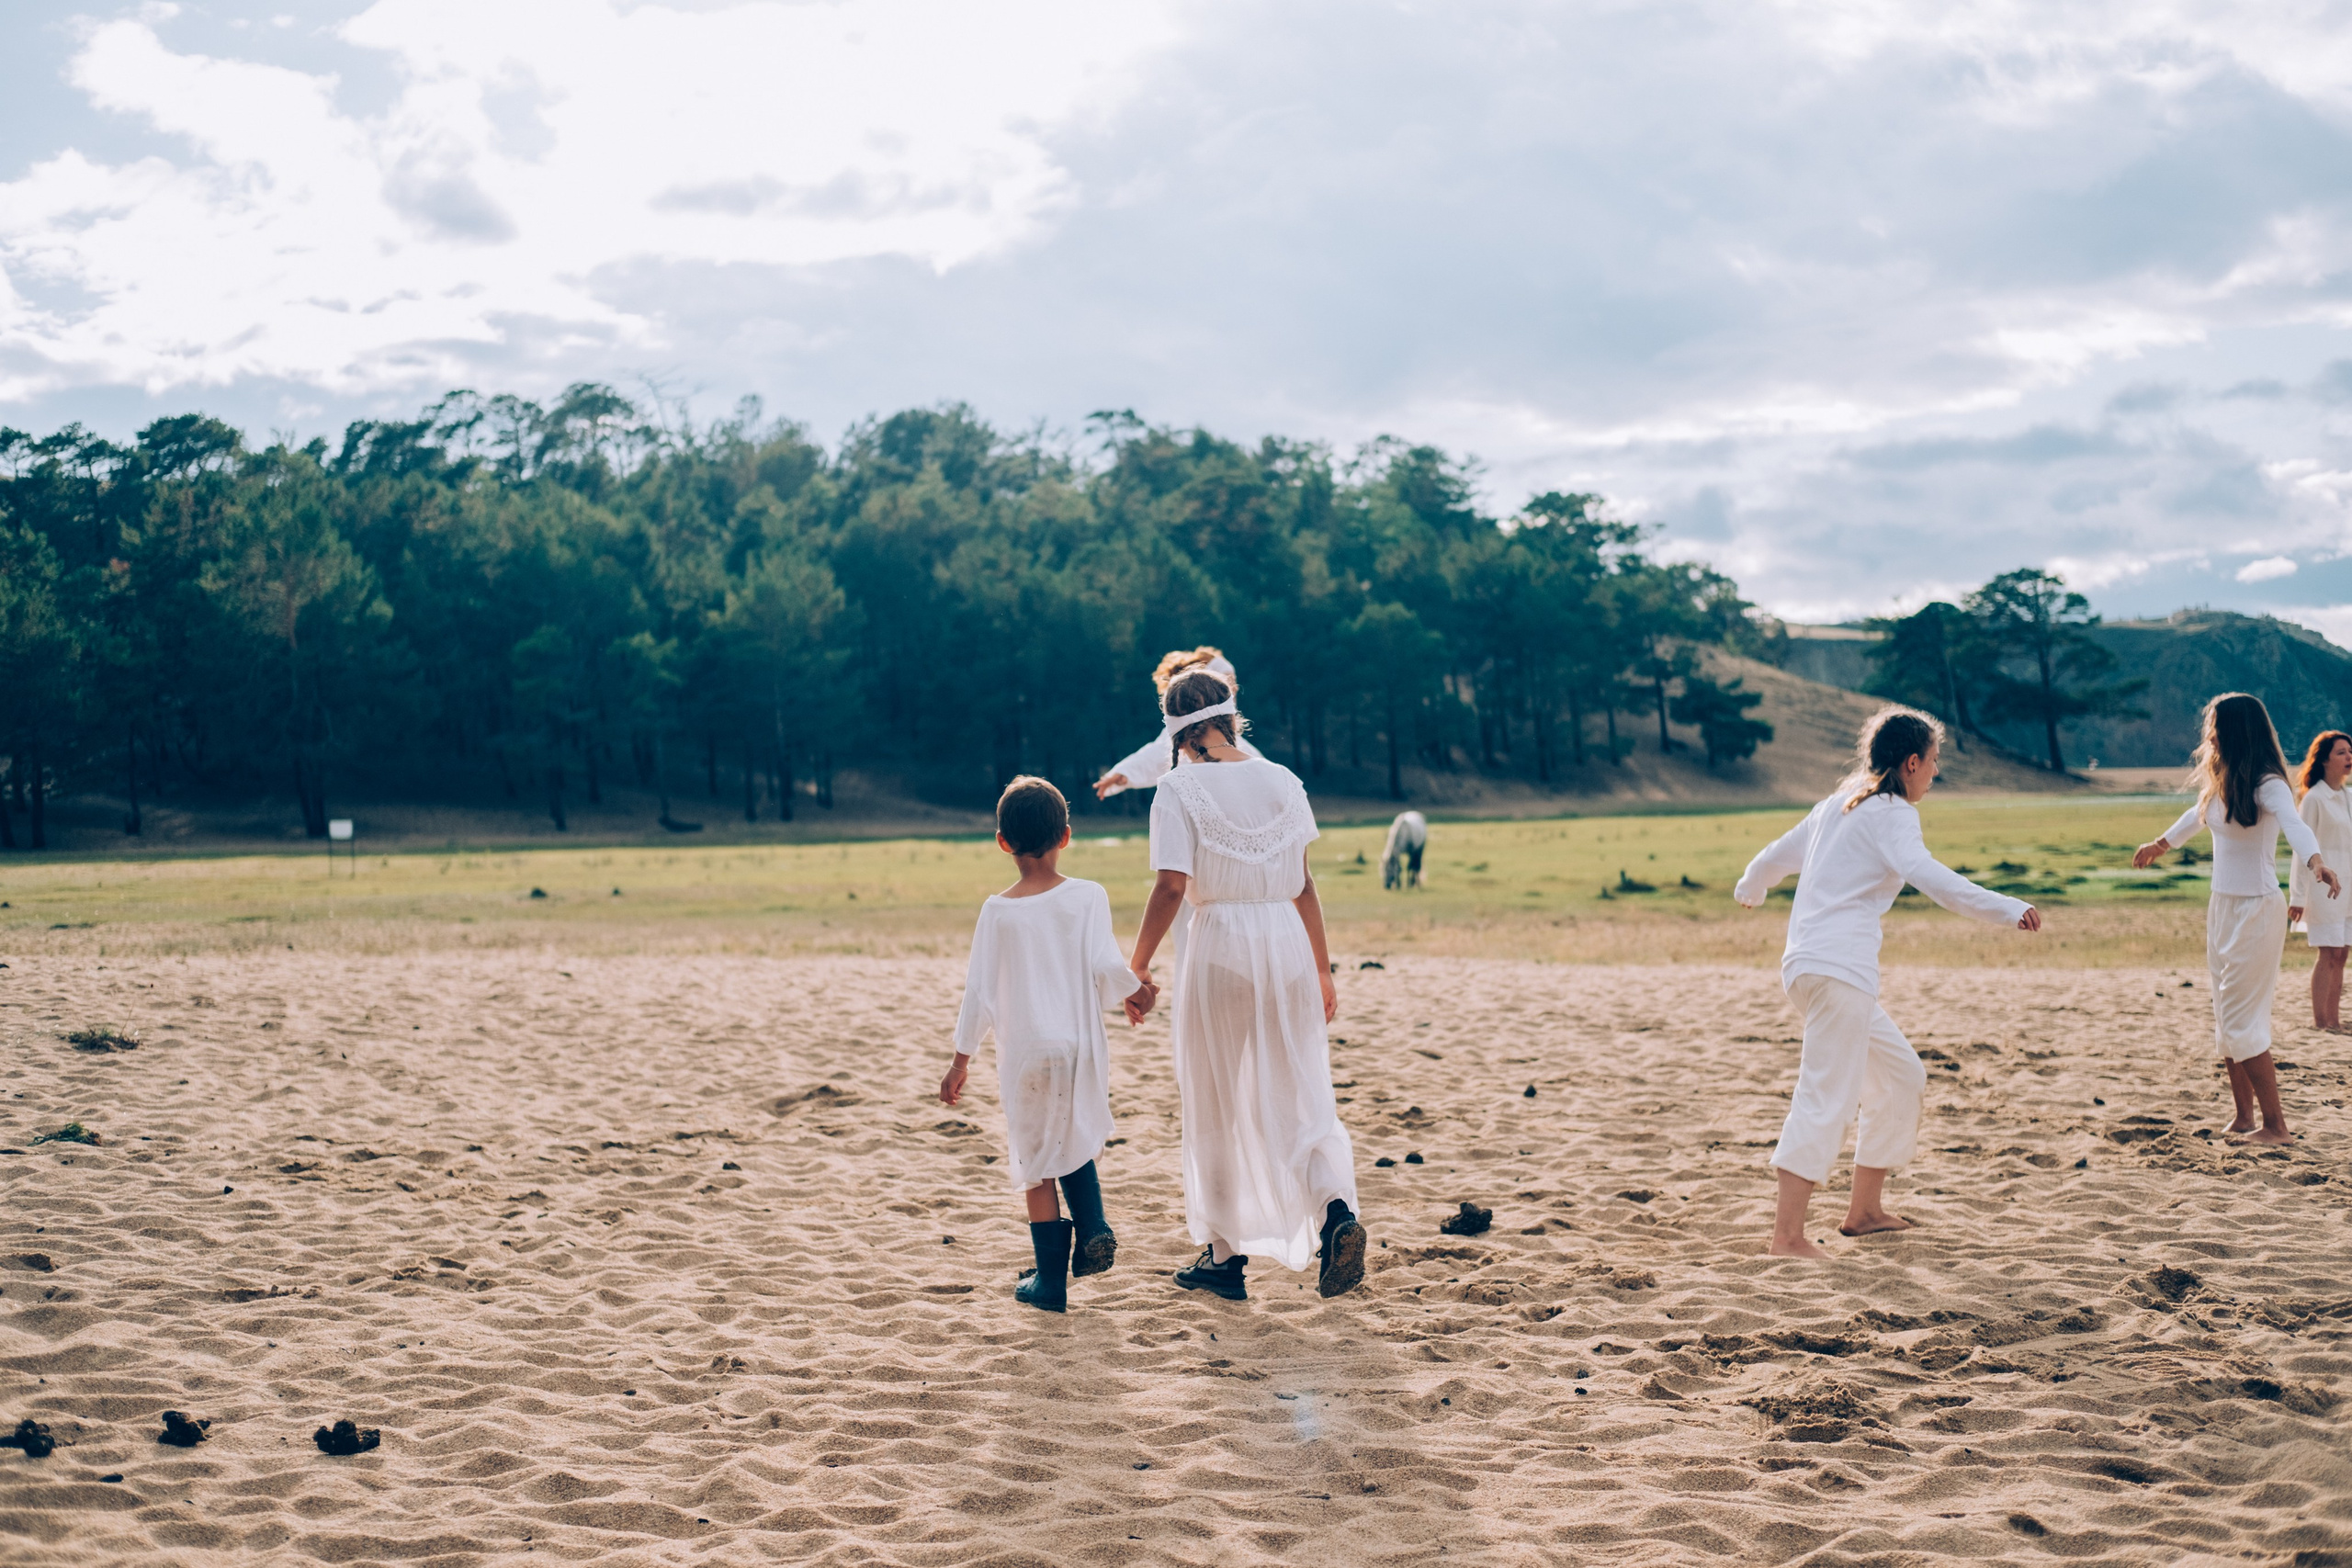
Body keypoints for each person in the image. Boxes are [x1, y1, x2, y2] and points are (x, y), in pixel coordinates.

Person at [1735, 706, 2041, 1258]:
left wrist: (1750, 888)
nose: (1936, 773)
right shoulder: (1891, 812)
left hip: (1810, 969)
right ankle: (1787, 1238)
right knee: (1825, 1096)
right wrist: (2007, 908)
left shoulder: (1838, 805)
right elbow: (1932, 878)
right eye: (1934, 762)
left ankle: (1865, 1212)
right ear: (1911, 762)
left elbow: (1773, 858)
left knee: (1901, 1076)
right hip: (1837, 971)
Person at [1128, 668, 1367, 1301]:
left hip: (1223, 947)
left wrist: (1139, 963)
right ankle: (1336, 1211)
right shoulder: (1284, 780)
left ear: (1176, 730)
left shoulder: (1178, 788)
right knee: (1303, 1092)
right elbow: (1304, 883)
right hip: (1288, 945)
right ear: (1232, 718)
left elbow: (1171, 885)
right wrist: (1322, 967)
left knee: (1217, 1099)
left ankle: (1224, 1255)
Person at [941, 776, 1158, 1313]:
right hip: (1080, 1047)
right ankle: (1094, 1225)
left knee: (1036, 1159)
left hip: (1028, 1053)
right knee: (1073, 1135)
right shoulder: (1088, 895)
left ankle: (1050, 1283)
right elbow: (1107, 965)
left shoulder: (997, 911)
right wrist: (1139, 994)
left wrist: (961, 1060)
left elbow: (979, 992)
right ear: (1066, 835)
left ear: (1002, 842)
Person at [2135, 694, 2341, 1144]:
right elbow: (2196, 815)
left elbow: (2295, 825)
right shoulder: (2222, 781)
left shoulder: (2269, 784)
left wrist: (2316, 862)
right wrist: (2160, 845)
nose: (2209, 735)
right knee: (2225, 1017)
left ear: (2236, 730)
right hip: (2222, 907)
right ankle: (2244, 1118)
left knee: (2240, 1019)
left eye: (2215, 726)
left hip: (2257, 909)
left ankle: (2276, 1126)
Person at [1092, 647, 1260, 799]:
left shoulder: (1241, 748)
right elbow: (1157, 754)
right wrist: (1124, 773)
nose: (1235, 688)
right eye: (1229, 682)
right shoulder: (1187, 733)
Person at [2289, 729, 2352, 1032]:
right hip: (2322, 888)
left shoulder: (2348, 796)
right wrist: (2297, 897)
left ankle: (2334, 1020)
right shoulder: (2313, 798)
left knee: (2342, 953)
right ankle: (2320, 1021)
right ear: (2324, 759)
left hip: (2349, 888)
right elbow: (2301, 850)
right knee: (2328, 952)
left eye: (2350, 752)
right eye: (2341, 752)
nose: (2349, 757)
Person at [1381, 810, 1428, 890]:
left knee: (1415, 861)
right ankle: (1396, 881)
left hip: (1415, 843)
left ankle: (1413, 880)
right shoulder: (1394, 834)